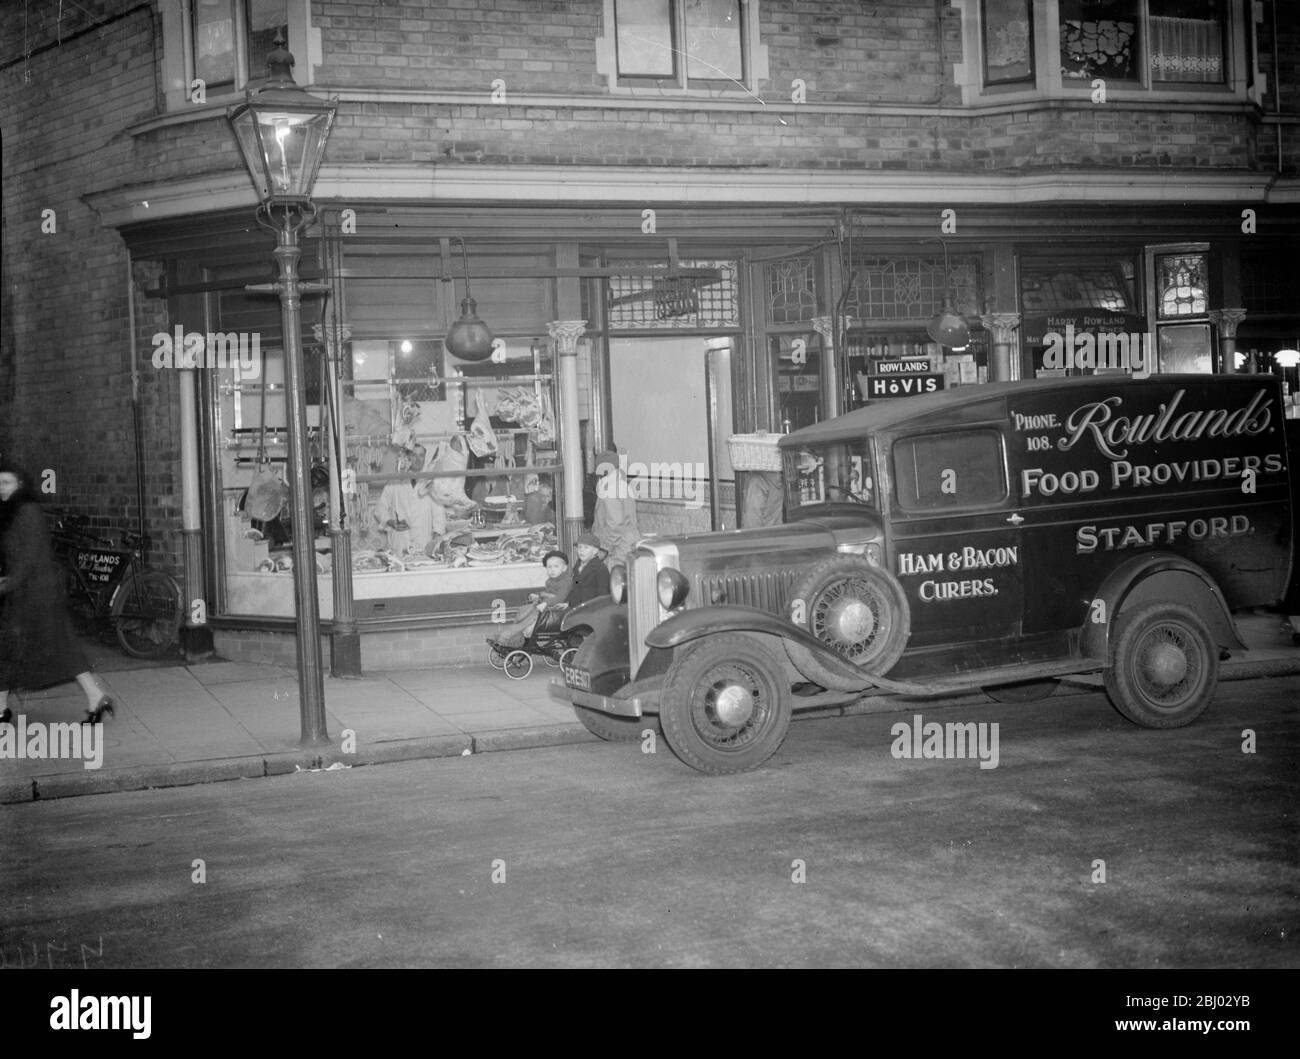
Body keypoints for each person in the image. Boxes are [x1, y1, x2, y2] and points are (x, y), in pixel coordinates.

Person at [0, 463, 115, 726]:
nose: (1, 489)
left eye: (6, 483)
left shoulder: (27, 512)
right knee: (57, 649)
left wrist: (7, 583)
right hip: (30, 592)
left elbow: (29, 557)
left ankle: (2, 709)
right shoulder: (13, 511)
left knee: (13, 649)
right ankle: (97, 697)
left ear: (19, 484)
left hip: (35, 595)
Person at [489, 550, 573, 648]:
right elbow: (547, 593)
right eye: (549, 567)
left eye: (556, 566)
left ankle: (507, 638)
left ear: (564, 568)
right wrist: (538, 595)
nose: (552, 570)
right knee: (522, 613)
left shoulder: (566, 582)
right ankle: (510, 637)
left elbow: (560, 597)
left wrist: (545, 603)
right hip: (547, 611)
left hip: (555, 614)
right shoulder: (551, 581)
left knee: (526, 620)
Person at [592, 449, 640, 570]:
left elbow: (615, 525)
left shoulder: (611, 489)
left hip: (617, 550)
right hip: (626, 545)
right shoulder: (621, 484)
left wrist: (604, 549)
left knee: (614, 583)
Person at [569, 531, 610, 605]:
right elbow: (575, 587)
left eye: (586, 547)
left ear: (595, 551)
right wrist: (569, 603)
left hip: (591, 610)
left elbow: (603, 596)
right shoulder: (577, 565)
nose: (581, 550)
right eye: (579, 547)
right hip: (576, 608)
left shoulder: (600, 569)